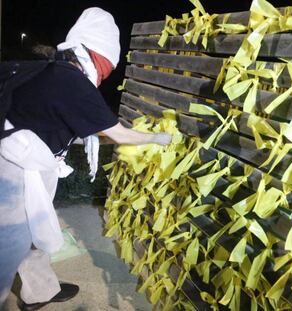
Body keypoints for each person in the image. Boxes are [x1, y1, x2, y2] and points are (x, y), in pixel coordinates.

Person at [0, 7, 171, 311]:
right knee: (9, 245)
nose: (106, 74)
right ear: (99, 55)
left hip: (26, 162)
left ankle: (39, 291)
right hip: (11, 170)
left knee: (32, 234)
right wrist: (160, 139)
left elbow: (87, 124)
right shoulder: (73, 82)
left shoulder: (57, 70)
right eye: (108, 66)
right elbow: (119, 135)